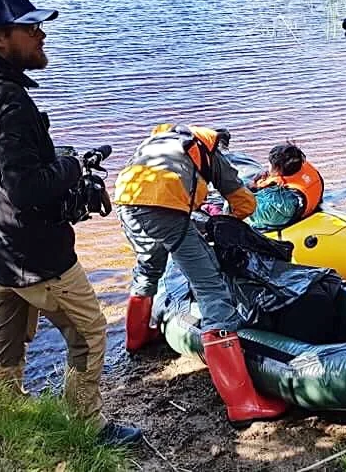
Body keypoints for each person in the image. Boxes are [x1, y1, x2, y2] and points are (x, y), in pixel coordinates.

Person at [0, 0, 140, 446]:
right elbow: (25, 189)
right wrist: (70, 165)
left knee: (8, 330)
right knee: (90, 332)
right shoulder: (8, 102)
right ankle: (86, 426)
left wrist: (51, 160)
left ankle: (8, 408)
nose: (41, 35)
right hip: (36, 253)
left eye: (39, 26)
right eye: (30, 28)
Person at [114, 123, 288, 425]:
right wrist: (226, 222)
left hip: (126, 200)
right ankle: (242, 404)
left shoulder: (164, 139)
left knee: (148, 268)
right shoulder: (209, 151)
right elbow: (245, 204)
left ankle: (137, 339)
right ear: (218, 143)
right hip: (162, 207)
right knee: (212, 290)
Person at [250, 142, 324, 223]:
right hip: (310, 204)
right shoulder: (305, 169)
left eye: (270, 163)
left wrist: (254, 187)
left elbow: (249, 211)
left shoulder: (281, 199)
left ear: (277, 170)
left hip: (283, 215)